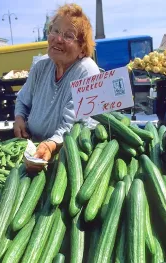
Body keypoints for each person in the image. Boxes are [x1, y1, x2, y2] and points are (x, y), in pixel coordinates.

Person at [14, 4, 100, 170]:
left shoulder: (86, 70)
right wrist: (19, 118)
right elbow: (23, 100)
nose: (58, 39)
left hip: (66, 157)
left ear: (82, 49)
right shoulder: (41, 66)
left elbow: (75, 126)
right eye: (55, 31)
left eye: (68, 36)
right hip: (33, 148)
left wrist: (50, 145)